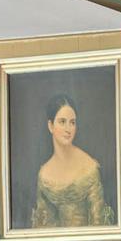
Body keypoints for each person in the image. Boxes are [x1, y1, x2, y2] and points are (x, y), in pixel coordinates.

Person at [30, 92, 112, 228]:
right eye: (62, 122)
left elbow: (98, 223)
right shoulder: (44, 174)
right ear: (50, 126)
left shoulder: (89, 167)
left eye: (72, 122)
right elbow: (43, 229)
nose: (68, 129)